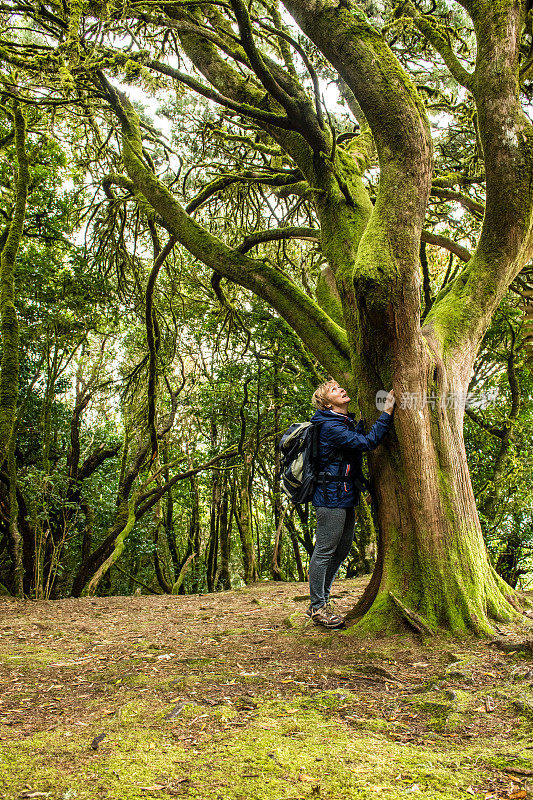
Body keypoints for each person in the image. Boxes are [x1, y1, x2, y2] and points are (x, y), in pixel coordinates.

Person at [307, 380, 395, 628]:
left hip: (345, 494)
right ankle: (317, 607)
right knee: (325, 550)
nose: (342, 390)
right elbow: (367, 444)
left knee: (343, 549)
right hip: (330, 496)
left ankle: (321, 600)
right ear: (326, 403)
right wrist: (387, 413)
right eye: (335, 390)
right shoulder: (329, 426)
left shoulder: (342, 422)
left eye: (340, 387)